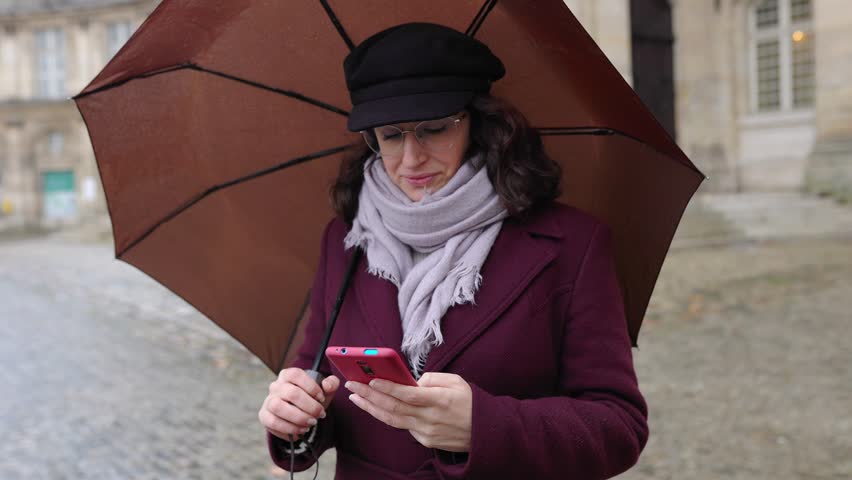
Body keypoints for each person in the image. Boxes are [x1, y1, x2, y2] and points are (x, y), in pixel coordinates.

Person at [258, 23, 648, 480]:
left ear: (480, 126)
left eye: (434, 129)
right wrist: (296, 416)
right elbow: (319, 371)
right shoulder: (345, 239)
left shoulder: (573, 245)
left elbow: (618, 428)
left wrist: (481, 426)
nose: (410, 159)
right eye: (390, 135)